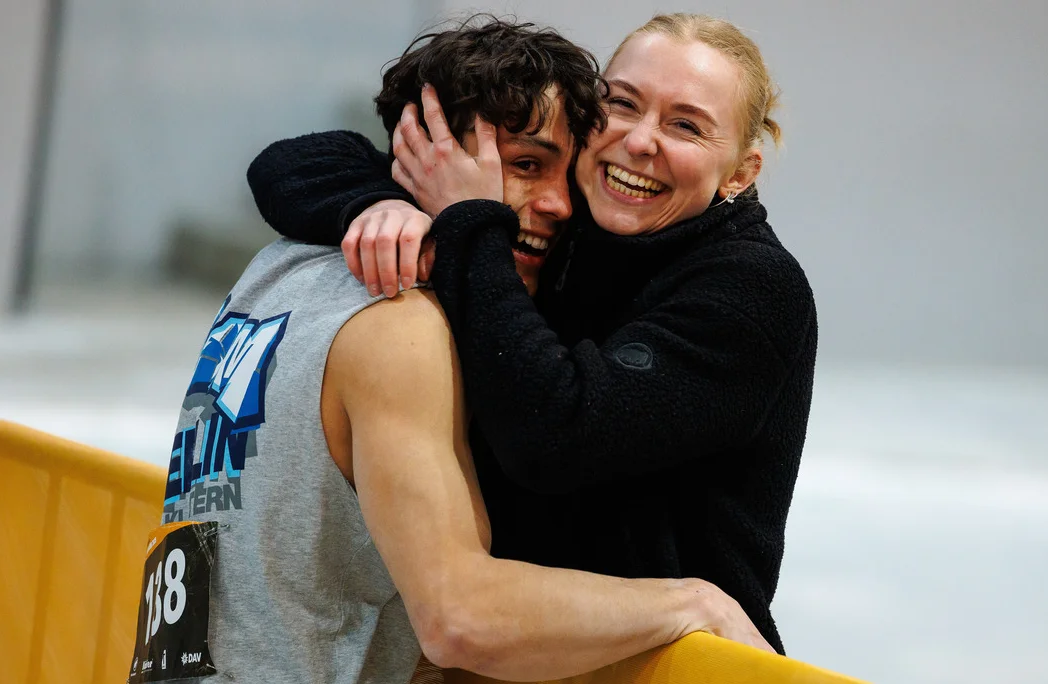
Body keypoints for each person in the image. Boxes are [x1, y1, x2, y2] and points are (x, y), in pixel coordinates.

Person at [161, 17, 771, 684]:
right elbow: (461, 618)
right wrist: (691, 602)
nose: (562, 205)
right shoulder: (404, 321)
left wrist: (435, 217)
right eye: (525, 167)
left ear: (744, 169)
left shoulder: (276, 266)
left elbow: (559, 425)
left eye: (688, 124)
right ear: (428, 161)